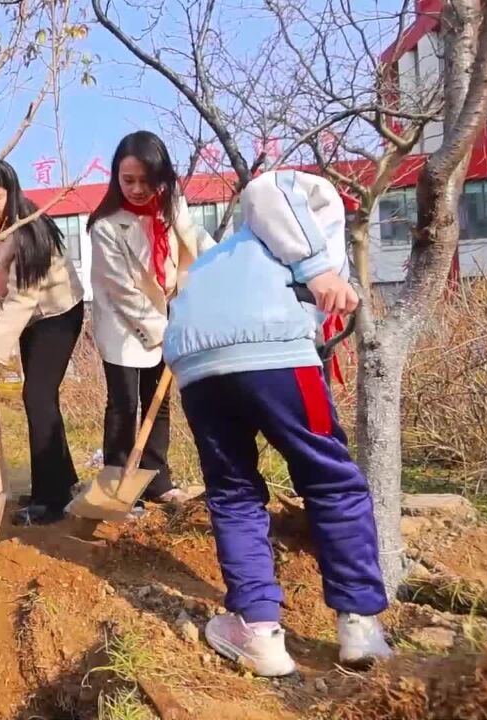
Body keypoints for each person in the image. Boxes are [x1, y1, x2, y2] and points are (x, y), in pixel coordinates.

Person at [162, 170, 393, 677]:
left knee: (234, 491)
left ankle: (257, 632)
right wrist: (321, 271)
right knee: (331, 480)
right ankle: (360, 623)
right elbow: (266, 188)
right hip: (274, 353)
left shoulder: (228, 254)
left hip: (198, 366)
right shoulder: (314, 204)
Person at [87, 131, 215, 512]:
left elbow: (197, 245)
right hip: (125, 326)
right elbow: (123, 291)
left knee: (158, 405)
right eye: (129, 181)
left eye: (146, 180)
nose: (138, 189)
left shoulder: (172, 211)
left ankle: (157, 479)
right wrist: (164, 333)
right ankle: (117, 484)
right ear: (116, 178)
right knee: (124, 404)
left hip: (169, 317)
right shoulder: (106, 226)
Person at [0, 157, 85, 526]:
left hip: (58, 313)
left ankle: (48, 501)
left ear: (11, 192)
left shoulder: (27, 230)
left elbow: (22, 298)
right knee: (40, 397)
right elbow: (3, 298)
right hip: (30, 320)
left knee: (36, 396)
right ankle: (62, 482)